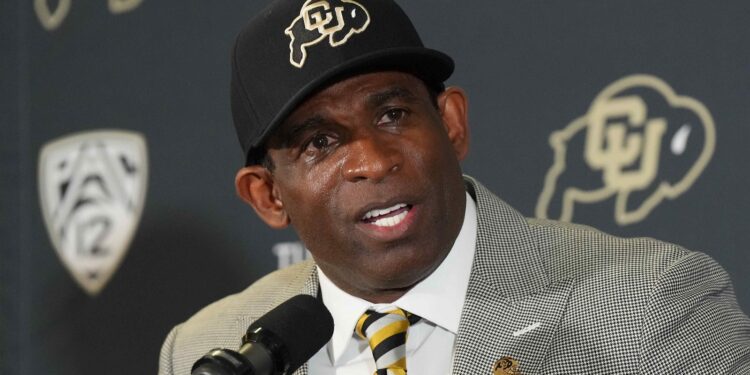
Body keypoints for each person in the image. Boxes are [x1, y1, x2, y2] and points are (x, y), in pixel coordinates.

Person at [159, 0, 750, 374]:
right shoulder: (207, 352)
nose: (372, 160)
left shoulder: (653, 309)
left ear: (452, 123)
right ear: (268, 196)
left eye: (392, 114)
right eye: (321, 143)